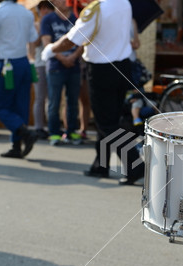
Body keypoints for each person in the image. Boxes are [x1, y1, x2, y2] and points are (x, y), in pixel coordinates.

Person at [42, 0, 144, 185]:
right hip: (122, 66)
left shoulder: (96, 9)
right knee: (107, 119)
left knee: (106, 123)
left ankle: (135, 165)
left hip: (102, 70)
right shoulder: (124, 3)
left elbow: (71, 40)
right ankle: (101, 165)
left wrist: (50, 50)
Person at [0, 0, 39, 158]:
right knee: (20, 106)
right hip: (23, 62)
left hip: (6, 64)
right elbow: (33, 37)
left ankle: (24, 133)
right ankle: (16, 146)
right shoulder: (26, 12)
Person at [40, 0, 82, 146]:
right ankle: (54, 133)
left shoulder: (77, 18)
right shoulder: (48, 19)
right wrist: (63, 58)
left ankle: (71, 131)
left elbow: (83, 42)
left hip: (74, 66)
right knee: (54, 101)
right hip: (55, 67)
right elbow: (47, 44)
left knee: (73, 102)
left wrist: (73, 57)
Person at [28, 0, 54, 140]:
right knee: (39, 97)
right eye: (43, 8)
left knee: (52, 98)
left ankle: (51, 127)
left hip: (53, 64)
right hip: (39, 64)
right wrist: (42, 25)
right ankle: (39, 127)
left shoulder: (54, 23)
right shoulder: (36, 25)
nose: (45, 11)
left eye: (48, 8)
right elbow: (34, 43)